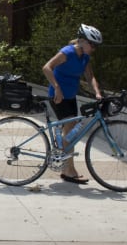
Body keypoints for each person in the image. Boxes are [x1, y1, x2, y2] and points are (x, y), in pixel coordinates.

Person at [42, 24, 103, 185]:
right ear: (82, 41)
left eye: (95, 46)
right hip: (58, 96)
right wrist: (56, 88)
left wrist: (97, 92)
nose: (94, 48)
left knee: (71, 131)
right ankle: (69, 171)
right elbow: (47, 68)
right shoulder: (67, 52)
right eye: (92, 44)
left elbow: (90, 76)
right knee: (70, 130)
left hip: (70, 96)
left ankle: (64, 166)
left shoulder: (85, 57)